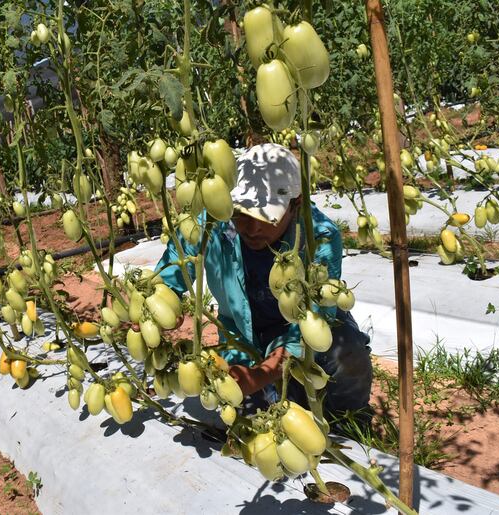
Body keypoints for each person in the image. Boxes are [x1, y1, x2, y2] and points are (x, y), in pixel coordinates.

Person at [155, 143, 372, 417]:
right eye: (241, 214)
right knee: (261, 410)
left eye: (265, 217)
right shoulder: (213, 223)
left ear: (296, 204)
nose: (251, 227)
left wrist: (262, 373)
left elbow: (318, 313)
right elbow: (177, 260)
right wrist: (162, 300)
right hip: (241, 335)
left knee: (346, 352)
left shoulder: (321, 238)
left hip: (297, 331)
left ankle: (350, 420)